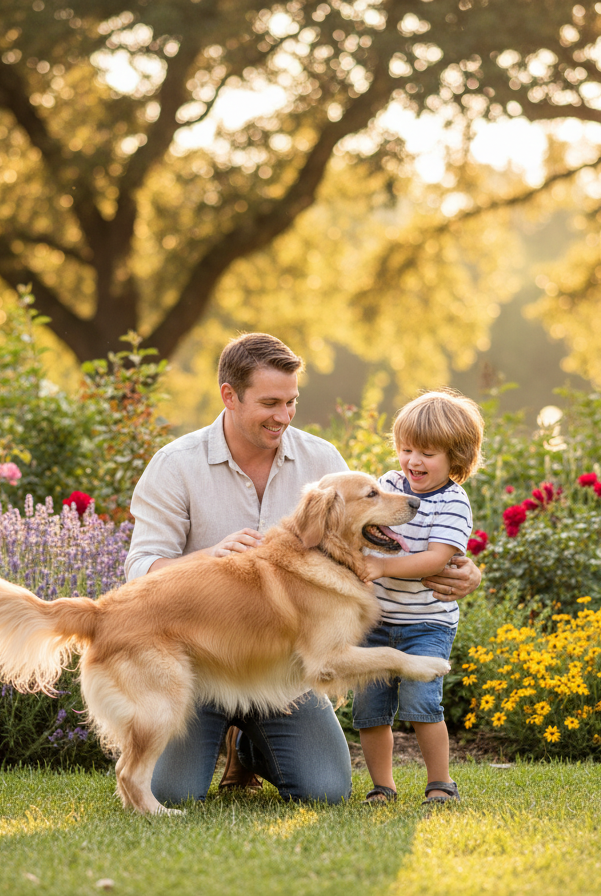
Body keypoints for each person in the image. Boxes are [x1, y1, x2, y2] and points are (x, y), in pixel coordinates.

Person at [124, 333, 483, 808]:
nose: (284, 416)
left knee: (327, 791)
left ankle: (247, 750)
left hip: (285, 676)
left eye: (291, 401)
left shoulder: (322, 461)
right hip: (201, 667)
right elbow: (140, 571)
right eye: (270, 403)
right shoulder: (175, 466)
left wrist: (462, 568)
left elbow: (370, 529)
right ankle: (220, 736)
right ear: (229, 396)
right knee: (172, 791)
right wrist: (206, 556)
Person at [354, 389, 484, 807]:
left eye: (427, 453)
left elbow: (435, 559)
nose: (412, 461)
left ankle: (440, 782)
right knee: (370, 709)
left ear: (455, 458)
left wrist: (383, 566)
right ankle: (382, 785)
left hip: (426, 623)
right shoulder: (389, 485)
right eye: (406, 449)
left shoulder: (453, 503)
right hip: (376, 621)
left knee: (422, 701)